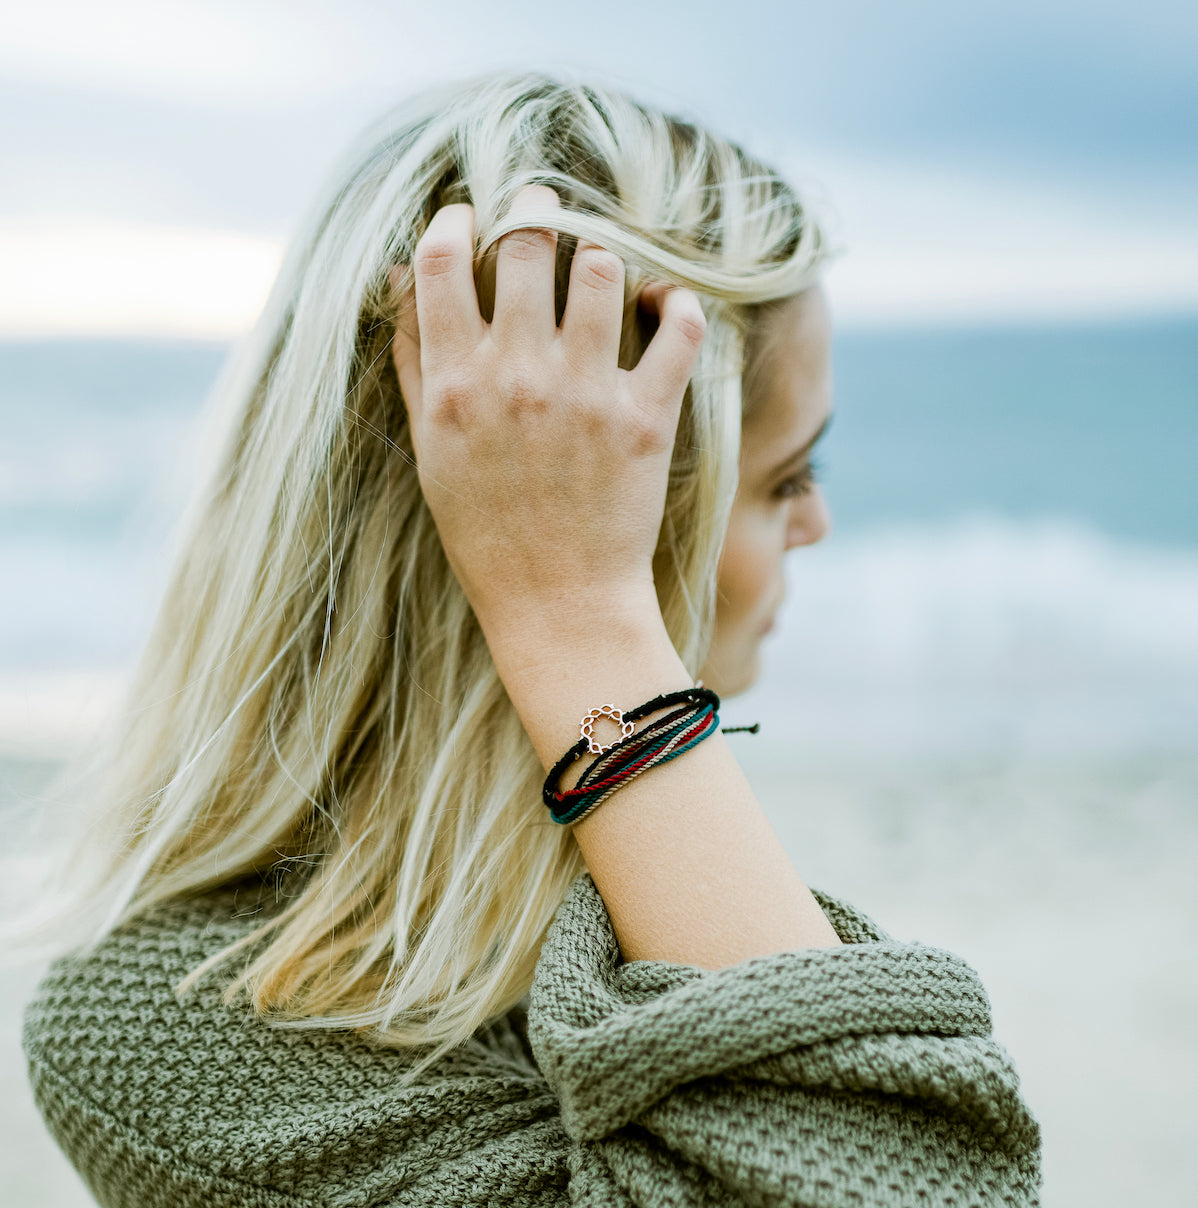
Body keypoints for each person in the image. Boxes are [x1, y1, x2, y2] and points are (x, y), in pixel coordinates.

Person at [12, 69, 1042, 1206]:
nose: (817, 521)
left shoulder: (653, 902)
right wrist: (576, 611)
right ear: (632, 516)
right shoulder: (163, 1028)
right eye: (788, 474)